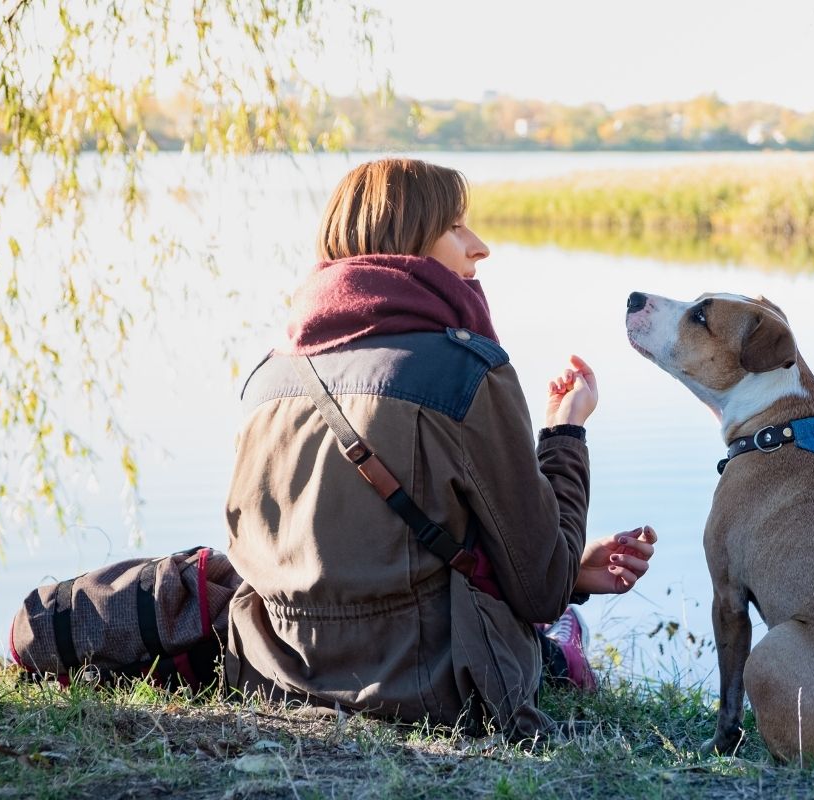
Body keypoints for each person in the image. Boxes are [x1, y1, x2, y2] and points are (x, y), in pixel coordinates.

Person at [222, 158, 656, 737]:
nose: (480, 248)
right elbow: (544, 588)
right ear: (403, 243)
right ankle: (563, 659)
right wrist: (564, 434)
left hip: (273, 675)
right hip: (433, 691)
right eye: (455, 227)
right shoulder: (464, 372)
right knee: (556, 624)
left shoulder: (269, 377)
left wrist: (571, 571)